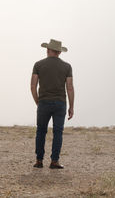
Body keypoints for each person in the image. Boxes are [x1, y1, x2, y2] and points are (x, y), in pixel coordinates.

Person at [30, 39, 75, 169]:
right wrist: (71, 106)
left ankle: (39, 161)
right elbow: (70, 87)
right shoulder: (67, 66)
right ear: (59, 52)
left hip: (44, 102)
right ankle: (54, 161)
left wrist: (38, 101)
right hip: (60, 103)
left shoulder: (38, 64)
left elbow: (33, 86)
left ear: (48, 50)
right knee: (58, 132)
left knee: (41, 131)